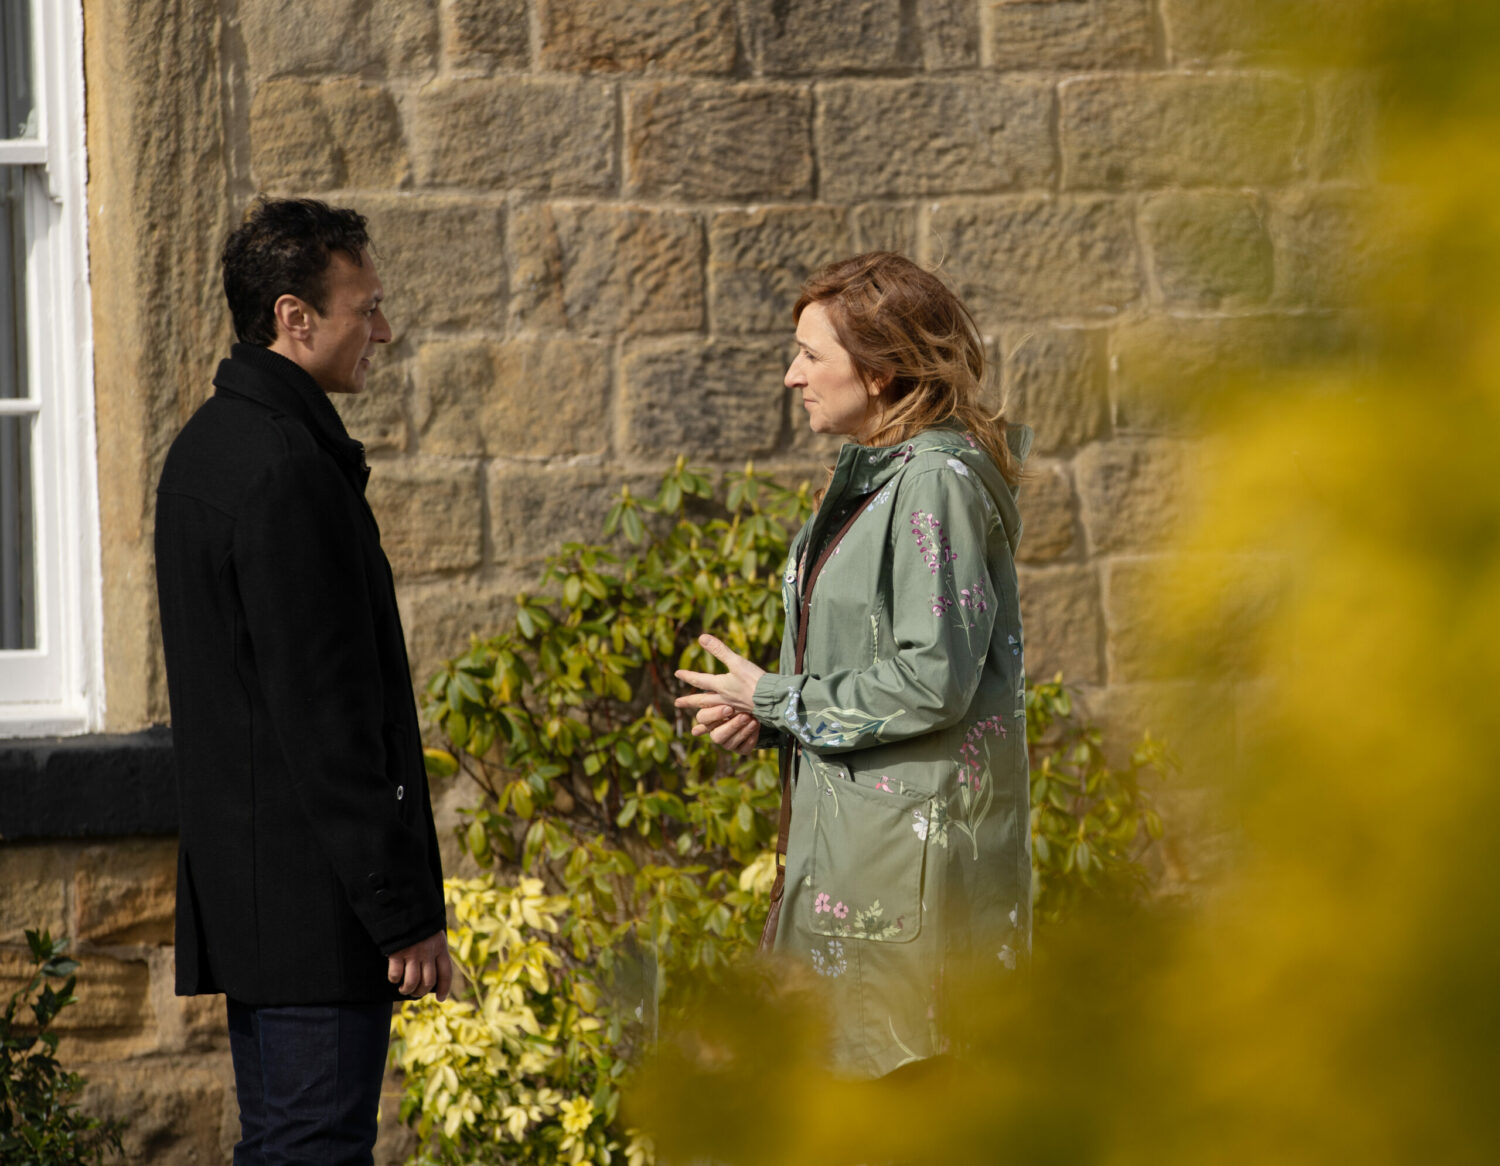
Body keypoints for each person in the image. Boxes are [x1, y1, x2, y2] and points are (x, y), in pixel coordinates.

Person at [675, 252, 1033, 1079]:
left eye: (811, 354)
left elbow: (933, 678)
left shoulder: (934, 482)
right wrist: (769, 714)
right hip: (860, 867)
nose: (792, 374)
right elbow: (884, 670)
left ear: (877, 372)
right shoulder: (882, 478)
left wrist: (772, 694)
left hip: (904, 890)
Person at [154, 197, 449, 1164]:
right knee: (312, 1149)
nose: (384, 329)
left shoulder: (211, 446)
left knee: (287, 1144)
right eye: (365, 308)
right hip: (314, 912)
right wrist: (399, 910)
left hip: (267, 902)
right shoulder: (283, 469)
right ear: (295, 317)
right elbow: (326, 719)